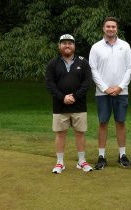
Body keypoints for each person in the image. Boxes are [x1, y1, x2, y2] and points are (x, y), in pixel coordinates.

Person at [89, 17, 131, 170]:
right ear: (103, 28)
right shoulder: (96, 47)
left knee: (120, 122)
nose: (110, 29)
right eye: (108, 26)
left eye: (113, 27)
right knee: (103, 122)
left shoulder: (125, 46)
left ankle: (122, 155)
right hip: (102, 93)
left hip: (122, 92)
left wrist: (120, 87)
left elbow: (130, 67)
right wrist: (105, 88)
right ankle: (101, 156)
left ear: (117, 28)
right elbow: (93, 69)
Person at [46, 34, 93, 174]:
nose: (67, 45)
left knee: (80, 133)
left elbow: (87, 83)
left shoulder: (83, 62)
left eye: (70, 43)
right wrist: (62, 97)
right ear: (59, 46)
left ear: (74, 46)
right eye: (64, 43)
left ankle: (81, 161)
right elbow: (50, 84)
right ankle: (60, 162)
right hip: (60, 105)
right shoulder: (53, 63)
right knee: (61, 134)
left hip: (79, 105)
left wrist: (74, 96)